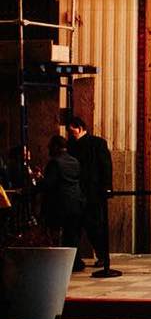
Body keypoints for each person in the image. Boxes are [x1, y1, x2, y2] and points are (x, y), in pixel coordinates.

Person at [66, 116, 113, 269]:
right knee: (78, 228)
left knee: (93, 227)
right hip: (83, 193)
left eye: (71, 131)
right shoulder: (73, 145)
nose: (70, 134)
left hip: (91, 193)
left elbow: (106, 166)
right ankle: (77, 260)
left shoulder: (97, 143)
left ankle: (101, 257)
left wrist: (106, 187)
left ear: (79, 128)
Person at [41, 135, 85, 270]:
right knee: (72, 234)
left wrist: (37, 184)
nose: (48, 149)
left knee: (58, 234)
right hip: (76, 202)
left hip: (60, 204)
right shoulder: (74, 161)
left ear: (56, 147)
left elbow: (49, 184)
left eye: (50, 146)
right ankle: (75, 262)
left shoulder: (55, 162)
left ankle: (61, 263)